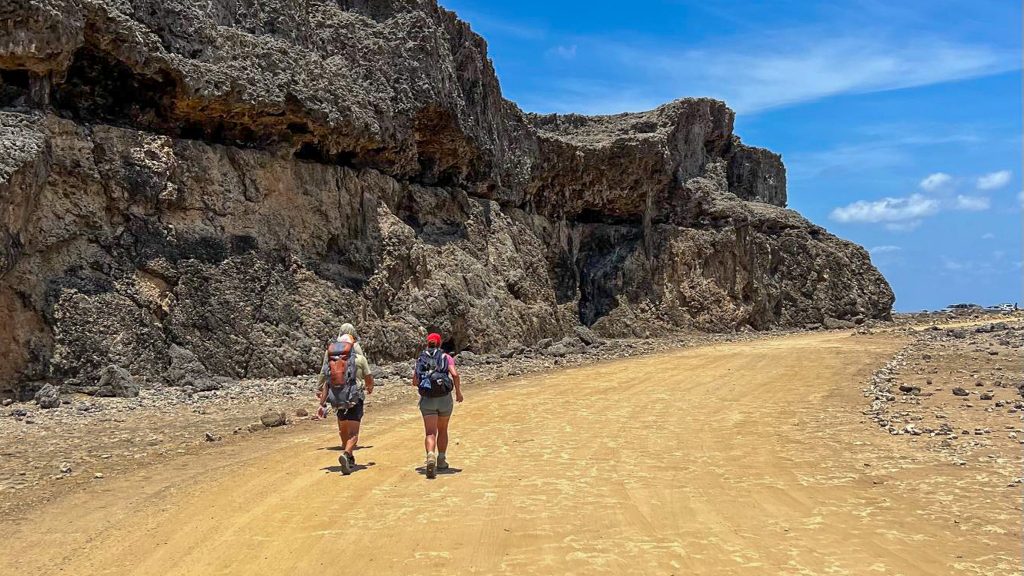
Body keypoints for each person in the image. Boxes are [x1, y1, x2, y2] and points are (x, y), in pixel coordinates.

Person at [317, 333, 374, 475]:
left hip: (337, 399)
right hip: (355, 399)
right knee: (353, 434)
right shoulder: (360, 359)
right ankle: (347, 453)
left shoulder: (332, 361)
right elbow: (368, 378)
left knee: (343, 430)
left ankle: (348, 457)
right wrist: (369, 387)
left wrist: (322, 404)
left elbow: (326, 383)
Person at [410, 332, 463, 478]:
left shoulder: (421, 358)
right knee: (443, 429)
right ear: (440, 343)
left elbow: (415, 381)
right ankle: (441, 459)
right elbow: (455, 374)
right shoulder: (446, 357)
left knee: (430, 432)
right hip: (444, 399)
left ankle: (430, 455)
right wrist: (458, 392)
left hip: (427, 399)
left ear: (428, 343)